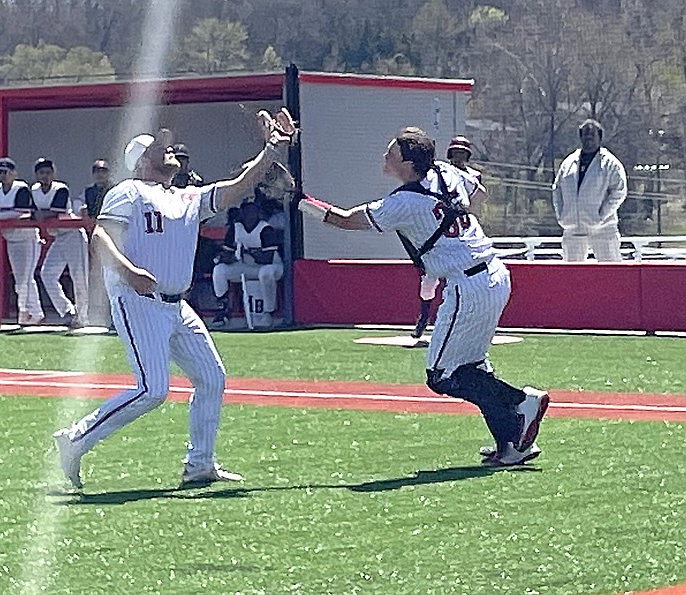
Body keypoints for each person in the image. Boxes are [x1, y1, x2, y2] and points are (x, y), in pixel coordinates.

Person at [53, 108, 297, 489]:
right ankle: (74, 440)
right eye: (158, 149)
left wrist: (272, 150)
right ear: (141, 161)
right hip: (138, 301)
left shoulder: (186, 196)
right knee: (152, 390)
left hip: (176, 305)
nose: (169, 153)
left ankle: (199, 463)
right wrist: (128, 272)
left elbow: (236, 187)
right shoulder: (128, 190)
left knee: (211, 377)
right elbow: (101, 236)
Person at [297, 126, 549, 467]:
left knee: (441, 375)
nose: (385, 158)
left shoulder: (403, 202)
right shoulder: (446, 171)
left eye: (391, 154)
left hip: (466, 283)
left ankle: (522, 401)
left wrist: (301, 202)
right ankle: (511, 444)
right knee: (471, 368)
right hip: (493, 272)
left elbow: (345, 220)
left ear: (409, 164)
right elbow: (479, 196)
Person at [411, 136, 487, 338]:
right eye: (455, 152)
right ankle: (424, 316)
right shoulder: (440, 172)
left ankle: (469, 322)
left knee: (470, 279)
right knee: (429, 278)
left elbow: (479, 199)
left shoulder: (473, 177)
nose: (459, 156)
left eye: (462, 152)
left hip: (463, 232)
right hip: (440, 231)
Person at [552, 119, 628, 261]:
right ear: (580, 137)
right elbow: (557, 189)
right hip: (572, 228)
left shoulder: (610, 163)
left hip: (603, 229)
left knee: (611, 274)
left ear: (599, 137)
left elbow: (619, 192)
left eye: (592, 134)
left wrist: (600, 216)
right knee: (572, 276)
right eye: (585, 134)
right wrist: (561, 215)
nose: (588, 137)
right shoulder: (568, 163)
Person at [0, 157, 44, 325]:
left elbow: (24, 214)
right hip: (11, 238)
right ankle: (35, 312)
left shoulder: (21, 188)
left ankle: (24, 312)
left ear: (14, 173)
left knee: (25, 278)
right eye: (1, 172)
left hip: (27, 238)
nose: (4, 175)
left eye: (7, 172)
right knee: (21, 279)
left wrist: (0, 217)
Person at [33, 158, 89, 327]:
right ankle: (67, 310)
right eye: (42, 173)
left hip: (73, 234)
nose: (45, 176)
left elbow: (53, 212)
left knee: (79, 277)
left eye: (48, 172)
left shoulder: (61, 188)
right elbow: (32, 211)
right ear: (36, 175)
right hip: (58, 237)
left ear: (53, 173)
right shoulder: (34, 190)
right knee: (47, 274)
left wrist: (40, 213)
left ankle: (82, 317)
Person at [212, 200, 283, 328]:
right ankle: (223, 309)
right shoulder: (235, 228)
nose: (249, 215)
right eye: (246, 211)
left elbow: (267, 258)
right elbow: (227, 253)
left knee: (265, 273)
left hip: (271, 267)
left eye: (252, 211)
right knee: (219, 270)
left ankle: (268, 311)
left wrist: (247, 251)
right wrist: (227, 257)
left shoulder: (265, 228)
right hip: (245, 266)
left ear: (258, 213)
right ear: (241, 213)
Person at [77, 159, 113, 327]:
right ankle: (97, 311)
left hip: (113, 236)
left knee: (113, 273)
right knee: (96, 274)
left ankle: (112, 310)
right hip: (94, 236)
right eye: (97, 171)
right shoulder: (89, 191)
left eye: (103, 171)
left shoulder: (113, 190)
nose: (100, 174)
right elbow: (86, 211)